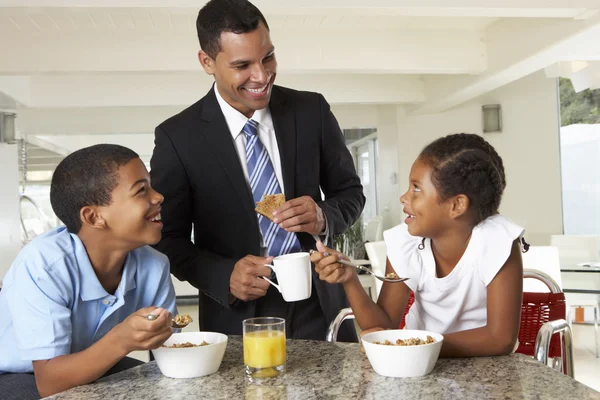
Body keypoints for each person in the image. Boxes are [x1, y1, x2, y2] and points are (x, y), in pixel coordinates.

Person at [150, 0, 364, 341]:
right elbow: (167, 238)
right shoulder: (178, 137)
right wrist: (223, 275)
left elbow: (351, 193)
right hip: (238, 313)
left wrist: (323, 215)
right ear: (207, 62)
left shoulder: (311, 111)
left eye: (268, 57)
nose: (262, 76)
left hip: (323, 300)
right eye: (242, 65)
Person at [311, 133, 524, 357]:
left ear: (456, 205)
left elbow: (501, 339)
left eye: (416, 188)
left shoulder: (497, 241)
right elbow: (385, 325)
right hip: (419, 366)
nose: (404, 197)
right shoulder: (407, 242)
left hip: (483, 370)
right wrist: (350, 279)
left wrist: (416, 344)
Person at [0, 144, 177, 399]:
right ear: (94, 218)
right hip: (21, 374)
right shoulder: (44, 265)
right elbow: (49, 383)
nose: (158, 196)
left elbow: (171, 346)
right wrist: (122, 339)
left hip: (97, 364)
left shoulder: (154, 265)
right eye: (141, 190)